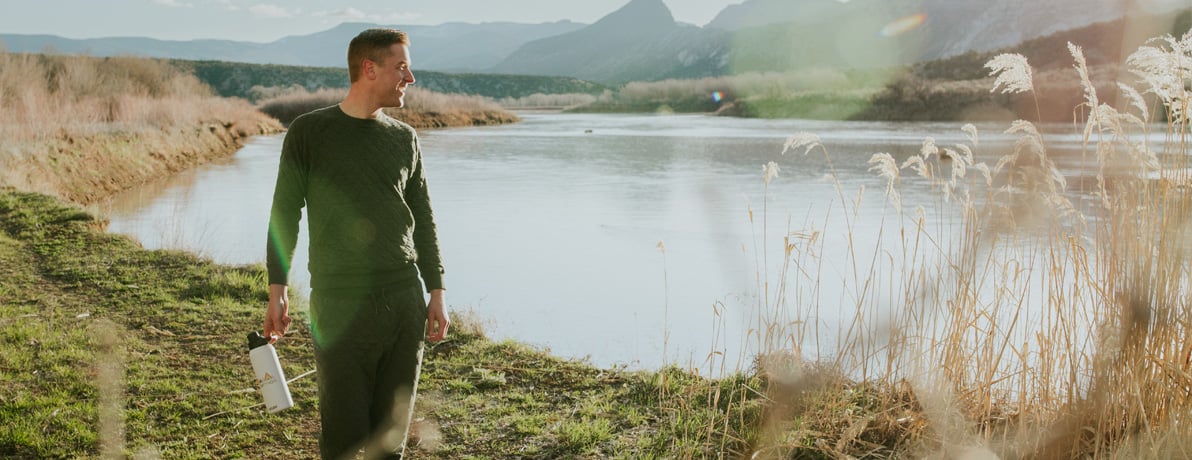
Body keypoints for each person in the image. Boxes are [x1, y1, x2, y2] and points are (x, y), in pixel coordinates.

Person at [261, 27, 450, 459]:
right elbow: (284, 214)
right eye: (401, 66)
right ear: (369, 68)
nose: (411, 77)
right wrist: (278, 289)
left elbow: (424, 221)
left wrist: (436, 290)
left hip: (404, 302)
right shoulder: (309, 133)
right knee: (344, 440)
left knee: (390, 441)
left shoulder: (405, 140)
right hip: (340, 303)